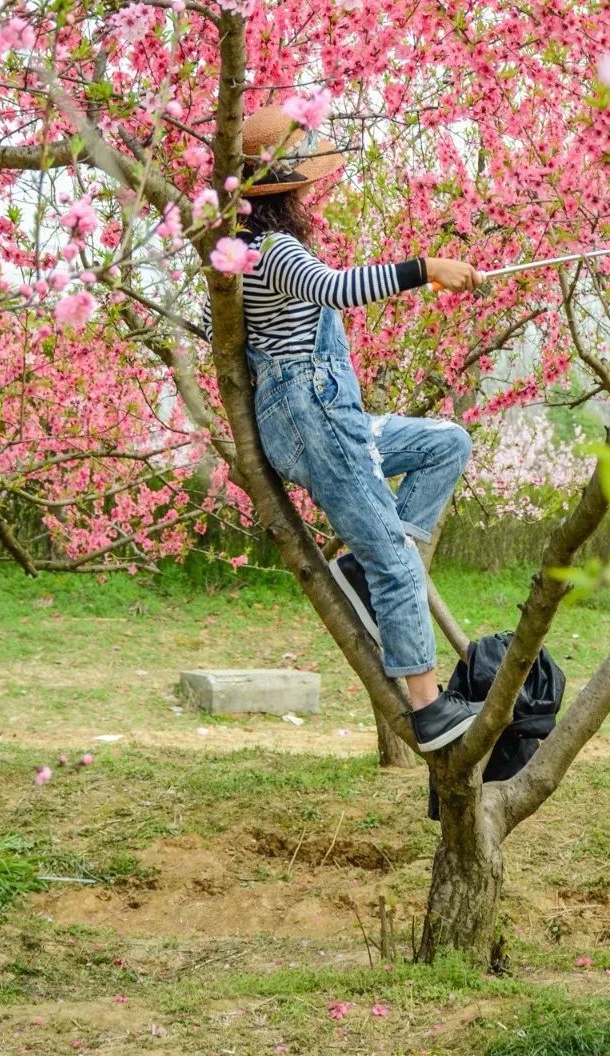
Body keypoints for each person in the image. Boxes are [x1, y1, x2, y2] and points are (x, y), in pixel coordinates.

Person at [217, 104, 482, 753]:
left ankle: (369, 570)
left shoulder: (236, 254)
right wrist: (427, 269)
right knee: (395, 558)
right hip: (316, 414)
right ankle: (427, 709)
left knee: (448, 442)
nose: (312, 192)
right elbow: (335, 288)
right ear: (283, 191)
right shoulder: (272, 251)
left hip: (330, 417)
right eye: (302, 182)